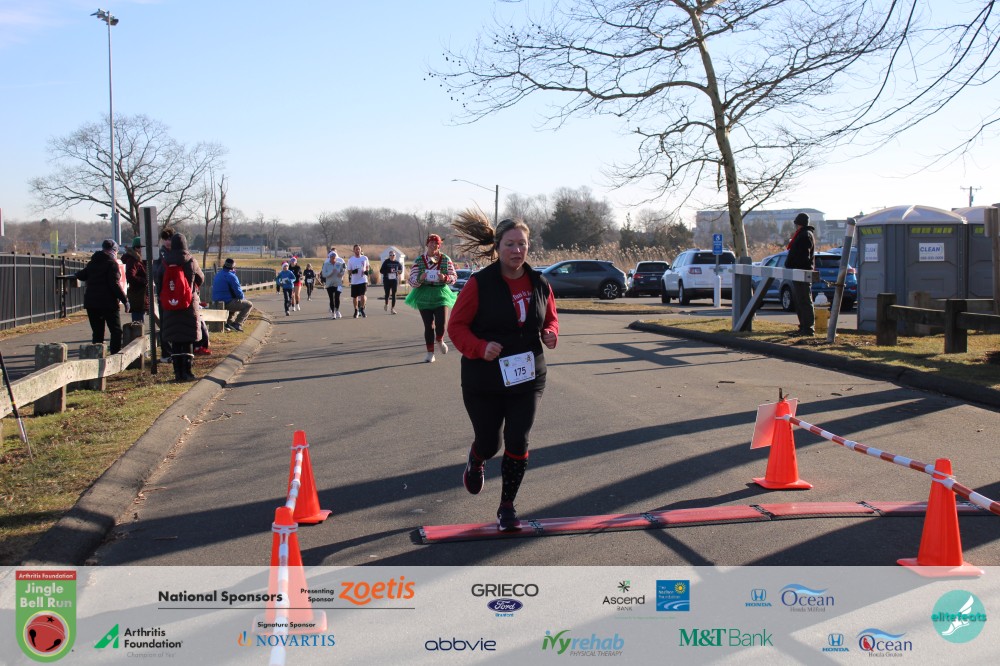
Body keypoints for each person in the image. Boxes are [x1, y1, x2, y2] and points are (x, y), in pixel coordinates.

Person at [448, 212, 559, 532]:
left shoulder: (539, 282)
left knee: (518, 439)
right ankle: (477, 458)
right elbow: (456, 326)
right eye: (510, 244)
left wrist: (551, 333)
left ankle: (507, 505)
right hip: (484, 378)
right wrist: (480, 347)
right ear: (497, 247)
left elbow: (550, 317)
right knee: (490, 442)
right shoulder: (480, 283)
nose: (517, 250)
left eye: (522, 244)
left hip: (528, 376)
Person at [153, 233, 204, 382]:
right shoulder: (191, 261)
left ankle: (177, 373)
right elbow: (200, 278)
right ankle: (187, 372)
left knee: (175, 339)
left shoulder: (164, 261)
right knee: (187, 339)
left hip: (170, 306)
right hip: (188, 305)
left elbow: (158, 280)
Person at [406, 233, 458, 362]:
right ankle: (430, 353)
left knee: (441, 323)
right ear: (427, 244)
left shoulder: (445, 259)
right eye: (431, 242)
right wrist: (420, 278)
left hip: (440, 293)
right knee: (428, 325)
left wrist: (445, 278)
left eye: (436, 243)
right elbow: (411, 280)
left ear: (439, 246)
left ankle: (439, 339)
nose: (433, 245)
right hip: (423, 293)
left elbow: (454, 277)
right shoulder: (419, 260)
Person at [75, 239, 129, 354]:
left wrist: (75, 274)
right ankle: (115, 355)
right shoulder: (112, 264)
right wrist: (125, 300)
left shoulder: (93, 262)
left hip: (92, 302)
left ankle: (96, 356)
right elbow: (114, 284)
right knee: (116, 331)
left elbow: (82, 275)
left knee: (97, 332)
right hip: (108, 303)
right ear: (114, 251)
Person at [785, 211, 817, 336]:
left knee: (804, 300)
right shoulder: (804, 234)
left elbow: (803, 255)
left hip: (802, 272)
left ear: (798, 223)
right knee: (800, 301)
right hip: (799, 271)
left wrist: (795, 264)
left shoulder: (805, 235)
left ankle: (808, 328)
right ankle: (803, 326)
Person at [211, 257, 254, 332]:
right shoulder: (231, 276)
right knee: (248, 305)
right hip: (227, 302)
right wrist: (242, 298)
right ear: (233, 267)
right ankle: (237, 324)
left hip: (216, 301)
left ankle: (229, 323)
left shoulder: (218, 274)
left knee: (234, 302)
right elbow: (239, 294)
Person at [121, 236, 148, 324]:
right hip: (137, 294)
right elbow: (130, 276)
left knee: (140, 320)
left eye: (143, 247)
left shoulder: (140, 259)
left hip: (141, 294)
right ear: (135, 248)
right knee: (138, 322)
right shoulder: (133, 260)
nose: (141, 249)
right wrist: (144, 281)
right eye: (138, 247)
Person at [346, 244, 371, 318]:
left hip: (363, 280)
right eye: (356, 249)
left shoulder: (365, 258)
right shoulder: (351, 260)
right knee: (355, 297)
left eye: (359, 249)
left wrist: (367, 271)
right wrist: (353, 272)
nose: (358, 250)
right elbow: (349, 271)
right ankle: (356, 310)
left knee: (363, 295)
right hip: (354, 281)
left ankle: (362, 309)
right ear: (354, 250)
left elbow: (367, 267)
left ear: (360, 250)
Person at [320, 250, 346, 319]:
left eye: (335, 257)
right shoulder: (326, 264)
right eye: (332, 257)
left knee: (337, 297)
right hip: (329, 284)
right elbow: (323, 274)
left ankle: (337, 310)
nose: (333, 259)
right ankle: (333, 313)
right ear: (330, 257)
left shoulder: (339, 263)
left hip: (338, 283)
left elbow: (344, 270)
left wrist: (341, 274)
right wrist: (331, 273)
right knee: (331, 298)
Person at [380, 250, 403, 314]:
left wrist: (399, 272)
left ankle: (392, 309)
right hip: (387, 280)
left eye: (393, 255)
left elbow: (401, 270)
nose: (392, 256)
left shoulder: (397, 263)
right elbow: (381, 271)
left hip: (394, 280)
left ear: (395, 256)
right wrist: (388, 270)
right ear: (389, 256)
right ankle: (386, 304)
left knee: (394, 294)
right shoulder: (386, 262)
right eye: (391, 255)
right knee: (387, 294)